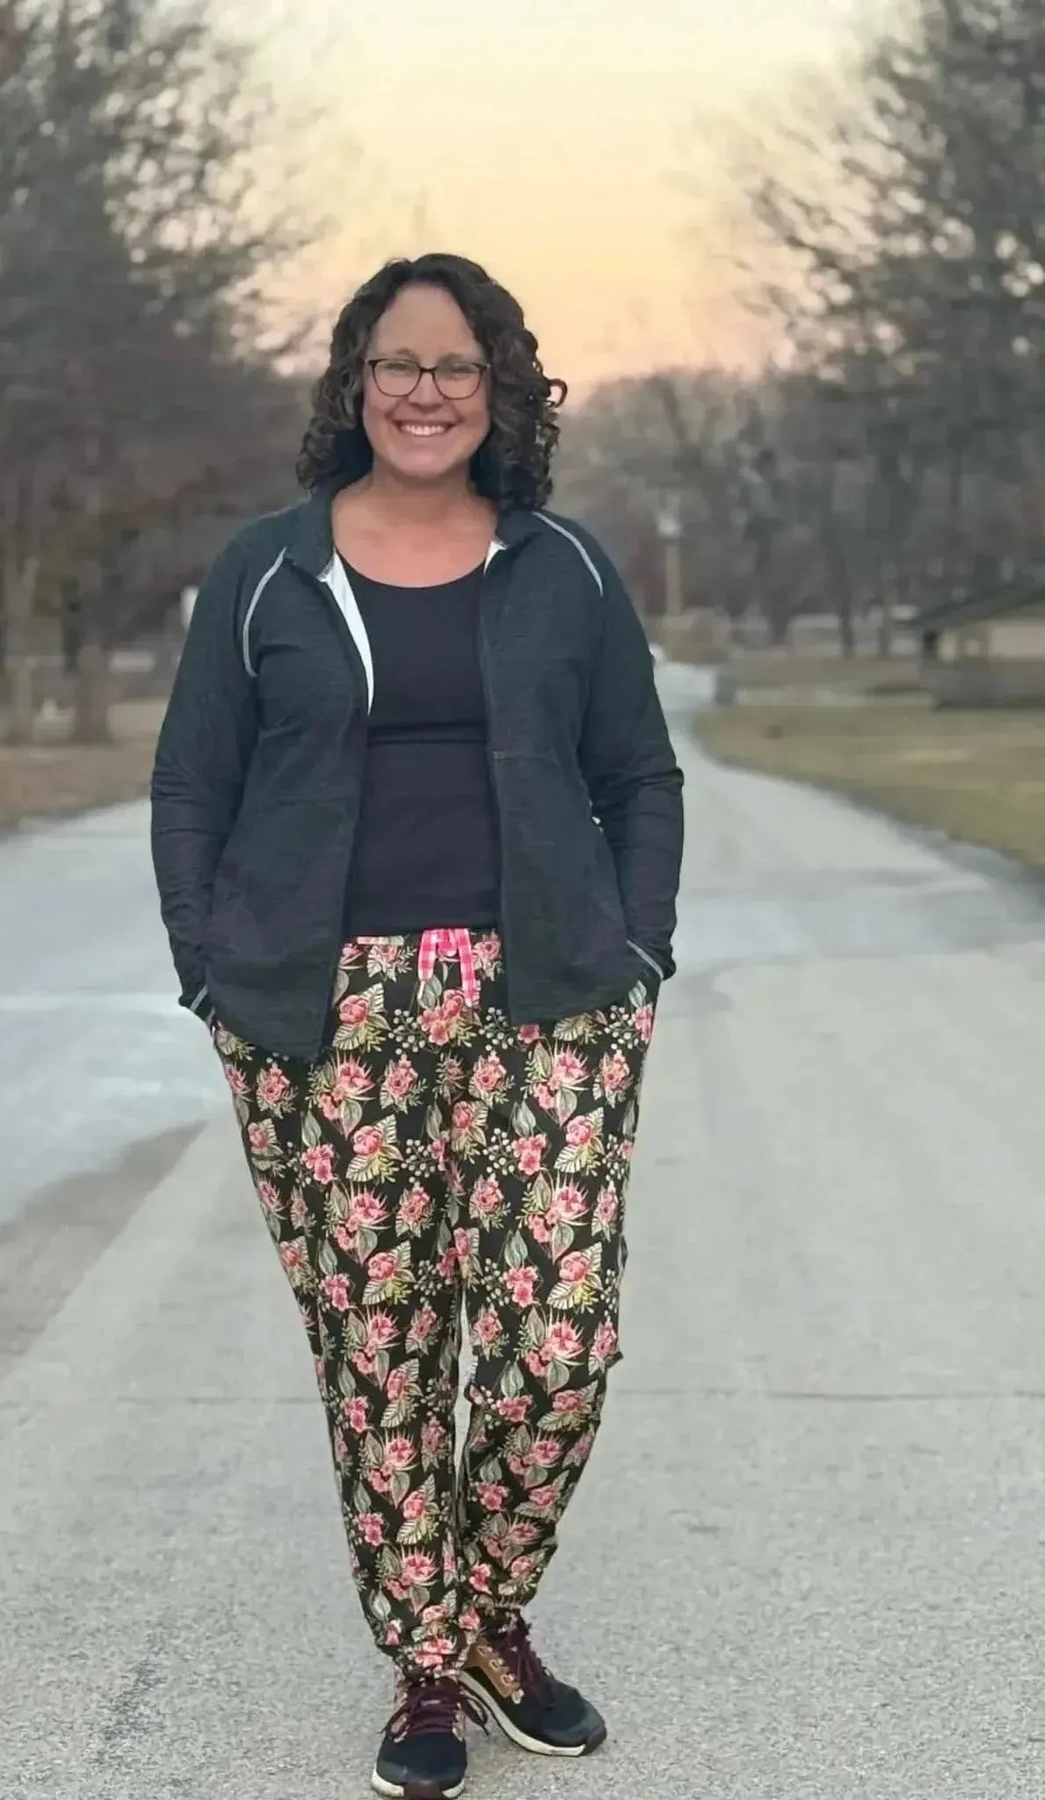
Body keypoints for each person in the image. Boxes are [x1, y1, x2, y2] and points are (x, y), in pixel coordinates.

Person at [150, 251, 684, 1800]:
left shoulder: (565, 569)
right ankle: (429, 1667)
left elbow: (639, 774)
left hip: (553, 1006)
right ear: (354, 382)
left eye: (457, 367)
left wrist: (637, 950)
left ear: (501, 390)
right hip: (327, 1016)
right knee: (382, 1357)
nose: (426, 392)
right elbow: (195, 782)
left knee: (555, 1346)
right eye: (398, 363)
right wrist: (212, 971)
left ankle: (489, 1608)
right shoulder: (269, 571)